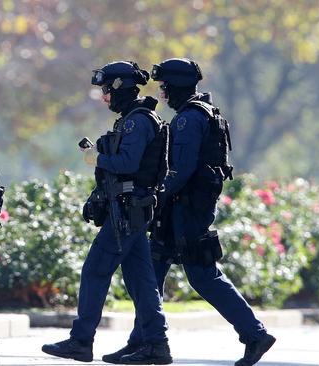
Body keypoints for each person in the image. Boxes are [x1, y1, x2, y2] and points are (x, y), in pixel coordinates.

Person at [114, 57, 275, 366]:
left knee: (201, 275)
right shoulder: (203, 113)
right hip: (185, 207)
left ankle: (255, 334)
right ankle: (142, 342)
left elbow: (181, 170)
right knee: (151, 274)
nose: (161, 92)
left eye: (164, 86)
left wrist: (155, 197)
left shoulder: (189, 119)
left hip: (185, 210)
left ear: (175, 85)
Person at [42, 61, 172, 364]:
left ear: (118, 88)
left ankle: (81, 340)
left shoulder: (137, 122)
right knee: (141, 280)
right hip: (131, 211)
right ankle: (156, 343)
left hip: (128, 212)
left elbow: (127, 163)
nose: (104, 97)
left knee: (95, 271)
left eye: (105, 90)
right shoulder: (134, 119)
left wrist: (96, 158)